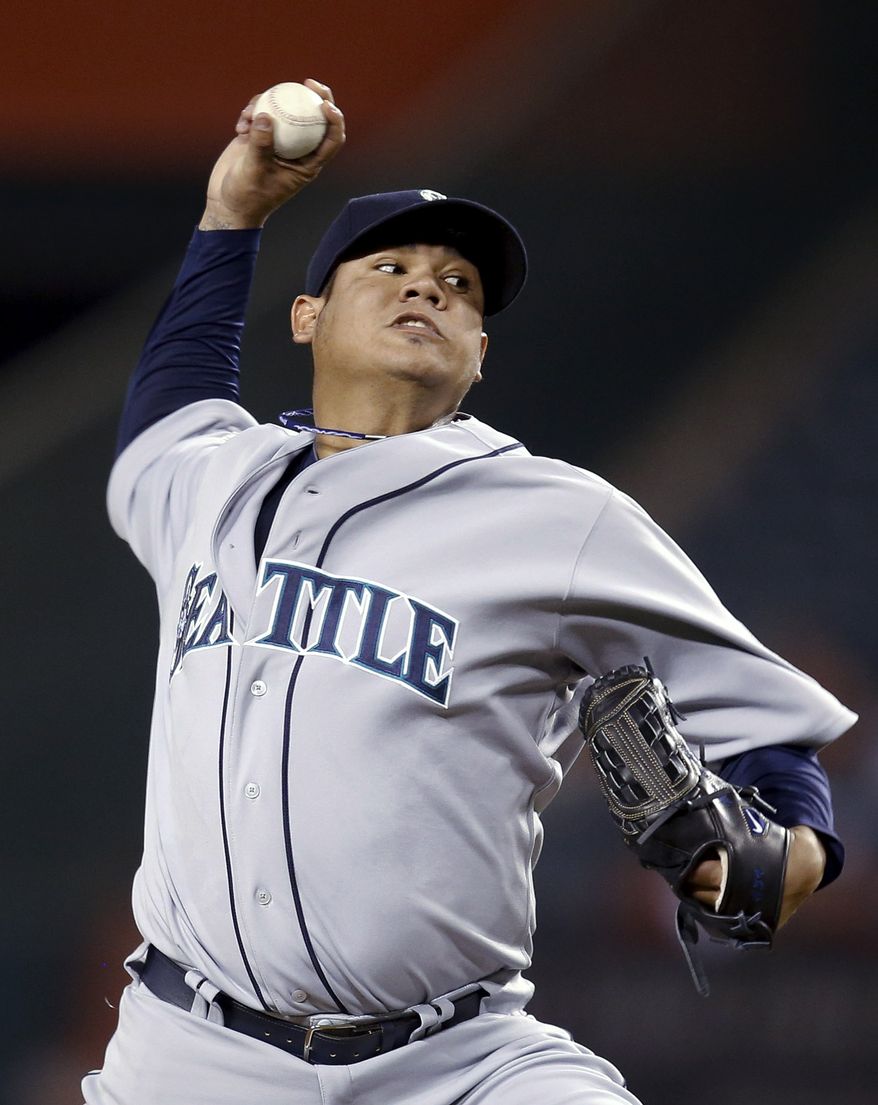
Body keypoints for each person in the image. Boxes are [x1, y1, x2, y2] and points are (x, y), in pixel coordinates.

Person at [84, 79, 856, 1105]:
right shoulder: (210, 482)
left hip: (453, 1061)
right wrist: (233, 215)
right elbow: (169, 404)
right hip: (195, 1055)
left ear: (479, 354)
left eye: (457, 284)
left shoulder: (559, 517)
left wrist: (794, 845)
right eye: (390, 267)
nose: (428, 288)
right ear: (307, 315)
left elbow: (765, 723)